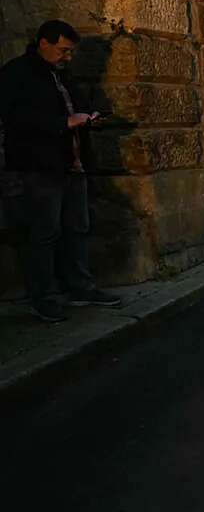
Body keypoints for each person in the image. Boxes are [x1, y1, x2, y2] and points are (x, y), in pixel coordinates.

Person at [0, 19, 122, 322]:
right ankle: (44, 296)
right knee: (44, 233)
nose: (67, 57)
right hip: (39, 167)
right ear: (44, 42)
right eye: (63, 50)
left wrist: (89, 118)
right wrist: (62, 123)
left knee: (77, 228)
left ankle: (80, 286)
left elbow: (75, 110)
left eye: (70, 52)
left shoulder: (63, 76)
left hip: (72, 163)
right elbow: (14, 120)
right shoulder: (16, 74)